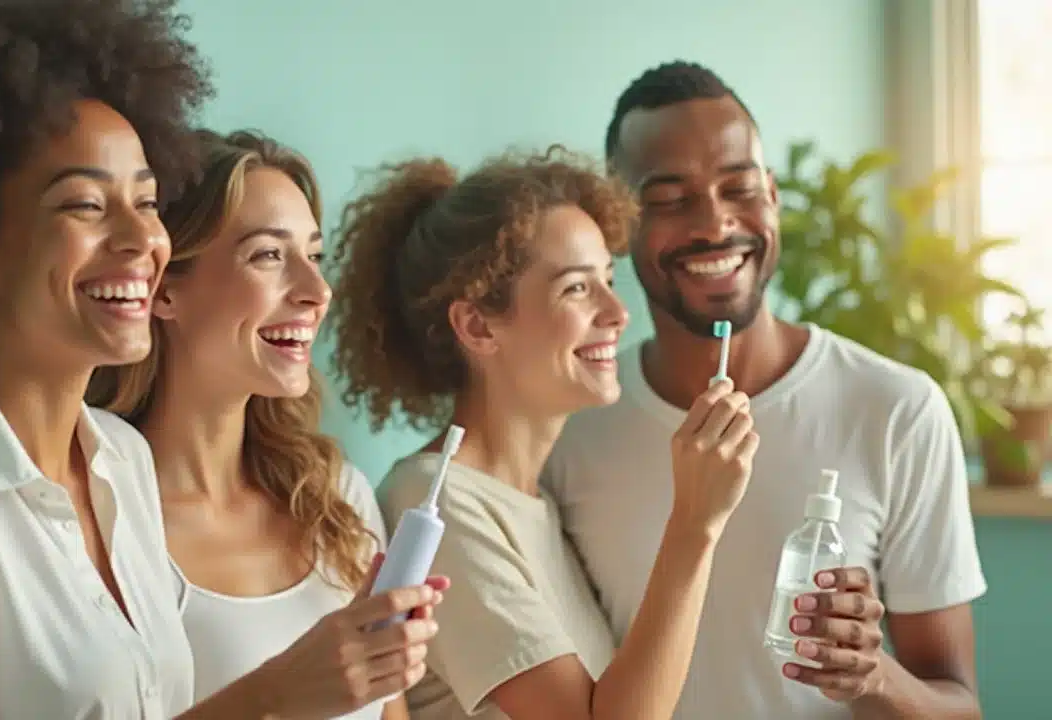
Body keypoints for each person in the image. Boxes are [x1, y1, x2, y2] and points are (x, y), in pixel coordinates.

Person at [0, 2, 437, 718]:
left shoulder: (121, 464)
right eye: (85, 206)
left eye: (147, 202)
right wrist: (274, 696)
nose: (140, 239)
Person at [542, 60, 987, 719]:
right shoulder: (574, 428)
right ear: (620, 226)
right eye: (668, 200)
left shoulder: (897, 410)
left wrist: (874, 677)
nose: (715, 224)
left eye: (739, 188)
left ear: (773, 197)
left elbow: (961, 707)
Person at [327, 147, 763, 720]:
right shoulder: (438, 503)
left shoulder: (535, 503)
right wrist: (695, 523)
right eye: (577, 289)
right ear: (478, 325)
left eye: (607, 280)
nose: (616, 312)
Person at [89, 129, 448, 720]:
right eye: (268, 255)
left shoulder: (336, 498)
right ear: (164, 287)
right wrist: (281, 696)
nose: (317, 291)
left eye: (314, 256)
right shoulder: (100, 521)